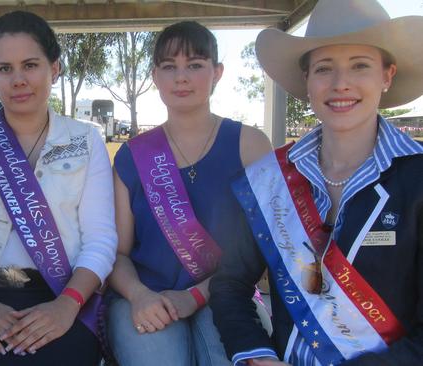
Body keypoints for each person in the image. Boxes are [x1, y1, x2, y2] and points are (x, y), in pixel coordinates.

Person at [209, 0, 423, 365]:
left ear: (387, 75)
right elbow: (229, 284)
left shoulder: (417, 179)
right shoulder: (269, 179)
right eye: (324, 68)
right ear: (307, 80)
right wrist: (259, 356)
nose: (341, 84)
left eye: (360, 65)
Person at [0, 10, 117, 366]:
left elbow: (101, 239)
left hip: (67, 297)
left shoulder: (86, 140)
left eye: (30, 65)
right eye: (5, 69)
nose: (18, 79)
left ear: (55, 68)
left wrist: (67, 305)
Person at [106, 21, 272, 365]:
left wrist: (195, 296)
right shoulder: (132, 156)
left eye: (195, 65)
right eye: (169, 67)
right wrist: (138, 296)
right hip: (149, 298)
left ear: (217, 72)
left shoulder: (251, 145)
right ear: (155, 75)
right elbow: (118, 254)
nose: (181, 77)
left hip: (230, 294)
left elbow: (262, 249)